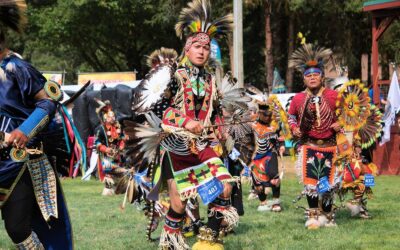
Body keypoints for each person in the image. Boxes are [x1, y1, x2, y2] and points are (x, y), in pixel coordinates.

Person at [133, 1, 237, 249]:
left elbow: (214, 112)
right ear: (187, 49)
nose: (202, 51)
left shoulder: (212, 80)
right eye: (197, 47)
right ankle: (170, 242)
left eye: (206, 47)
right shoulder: (175, 76)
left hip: (203, 144)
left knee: (225, 186)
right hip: (177, 145)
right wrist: (187, 122)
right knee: (179, 203)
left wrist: (219, 129)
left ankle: (209, 240)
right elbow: (161, 110)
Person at [0, 1, 73, 248]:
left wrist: (24, 130)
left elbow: (48, 102)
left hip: (16, 162)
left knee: (17, 227)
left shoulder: (16, 68)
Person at [288, 43, 341, 229]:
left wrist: (340, 123)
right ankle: (312, 216)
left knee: (329, 183)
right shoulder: (298, 99)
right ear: (304, 79)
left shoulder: (334, 96)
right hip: (309, 145)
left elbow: (349, 114)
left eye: (315, 75)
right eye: (308, 76)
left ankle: (327, 215)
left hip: (330, 145)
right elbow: (291, 116)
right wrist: (294, 127)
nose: (312, 78)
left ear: (322, 76)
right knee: (311, 182)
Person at [250, 102, 285, 212]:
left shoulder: (275, 125)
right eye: (265, 115)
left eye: (269, 115)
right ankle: (263, 202)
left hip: (271, 153)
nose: (267, 117)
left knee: (274, 178)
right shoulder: (252, 126)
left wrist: (282, 146)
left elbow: (280, 137)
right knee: (258, 182)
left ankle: (275, 202)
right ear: (259, 114)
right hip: (255, 156)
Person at [94, 100, 127, 195]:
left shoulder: (118, 127)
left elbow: (121, 139)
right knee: (108, 171)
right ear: (105, 118)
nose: (112, 118)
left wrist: (121, 147)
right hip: (106, 155)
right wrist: (106, 149)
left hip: (117, 154)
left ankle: (120, 188)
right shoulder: (100, 129)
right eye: (110, 117)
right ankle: (108, 190)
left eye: (113, 116)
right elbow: (97, 143)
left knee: (120, 170)